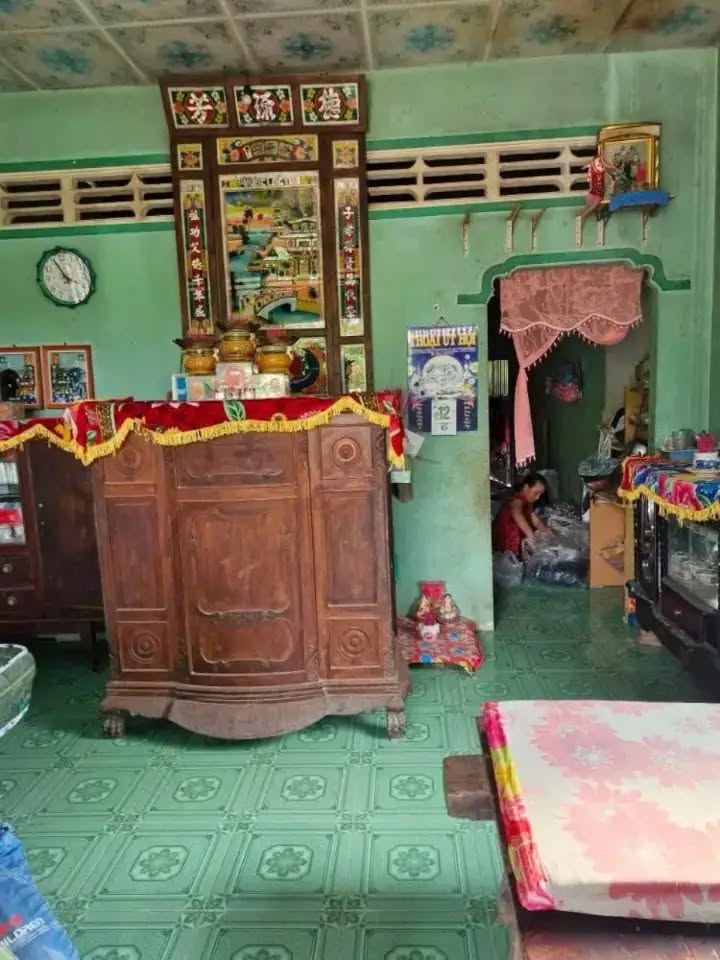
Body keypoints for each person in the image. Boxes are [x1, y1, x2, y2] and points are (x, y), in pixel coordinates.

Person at [493, 472, 552, 557]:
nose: (538, 497)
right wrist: (530, 535)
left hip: (516, 542)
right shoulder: (516, 500)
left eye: (540, 494)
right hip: (506, 547)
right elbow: (517, 514)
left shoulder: (527, 502)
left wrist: (546, 531)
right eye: (536, 493)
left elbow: (536, 521)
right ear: (526, 487)